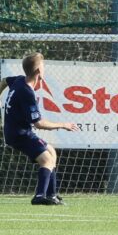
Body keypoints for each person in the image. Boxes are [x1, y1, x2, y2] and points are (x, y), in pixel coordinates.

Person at [0, 53, 78, 205]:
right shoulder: (26, 92)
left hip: (16, 131)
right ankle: (39, 196)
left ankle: (52, 195)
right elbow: (39, 123)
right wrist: (63, 125)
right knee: (47, 160)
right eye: (43, 66)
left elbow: (3, 81)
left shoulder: (18, 80)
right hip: (20, 134)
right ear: (38, 72)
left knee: (51, 152)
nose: (44, 69)